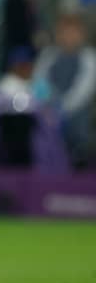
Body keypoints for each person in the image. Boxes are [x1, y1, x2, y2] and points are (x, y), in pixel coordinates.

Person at [34, 11, 96, 168]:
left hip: (76, 124)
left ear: (81, 34)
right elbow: (39, 82)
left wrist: (63, 108)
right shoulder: (48, 55)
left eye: (72, 32)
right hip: (48, 120)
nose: (68, 37)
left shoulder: (89, 57)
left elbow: (83, 90)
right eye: (64, 32)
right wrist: (49, 106)